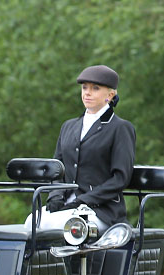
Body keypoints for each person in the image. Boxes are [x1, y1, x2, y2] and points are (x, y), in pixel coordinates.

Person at [37, 65, 135, 232]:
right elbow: (56, 168)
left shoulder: (120, 128)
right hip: (66, 207)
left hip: (101, 210)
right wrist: (55, 196)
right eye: (84, 88)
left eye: (95, 88)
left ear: (110, 95)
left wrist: (84, 200)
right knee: (32, 222)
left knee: (52, 225)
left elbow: (120, 178)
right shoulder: (68, 126)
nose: (87, 92)